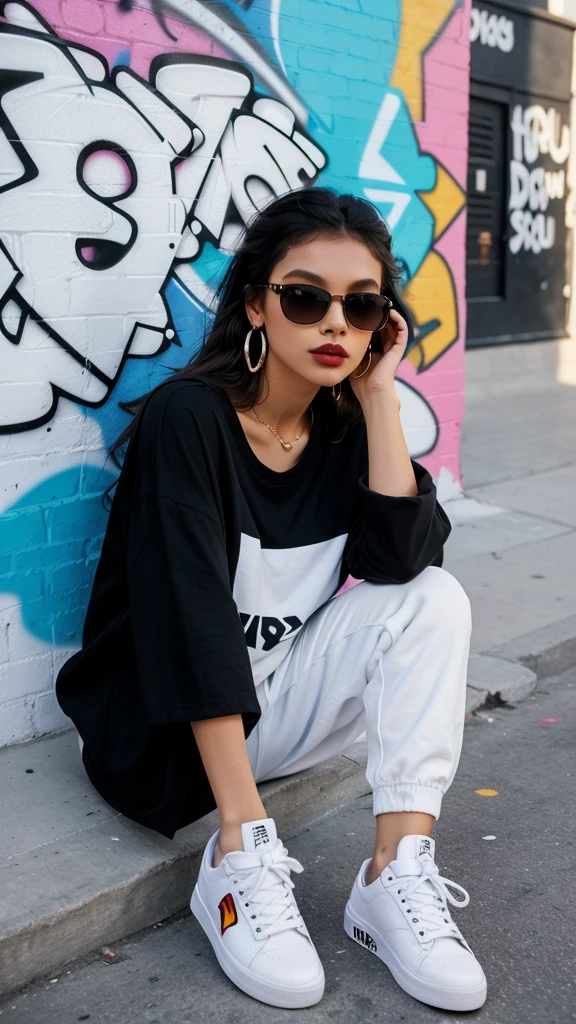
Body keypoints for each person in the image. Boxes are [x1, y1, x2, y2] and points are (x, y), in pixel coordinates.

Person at [56, 188, 487, 1013]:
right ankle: (239, 859)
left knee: (435, 599)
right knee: (215, 634)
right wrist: (246, 824)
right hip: (162, 737)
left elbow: (401, 559)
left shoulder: (345, 422)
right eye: (305, 297)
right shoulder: (191, 420)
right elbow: (190, 621)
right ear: (257, 304)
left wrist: (377, 394)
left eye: (362, 307)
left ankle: (393, 877)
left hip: (269, 708)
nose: (335, 323)